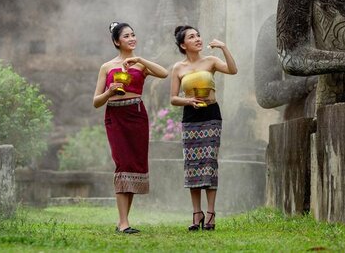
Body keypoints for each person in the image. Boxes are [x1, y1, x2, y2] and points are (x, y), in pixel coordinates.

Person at [92, 22, 168, 234]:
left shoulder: (141, 65)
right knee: (122, 163)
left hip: (137, 115)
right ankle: (123, 222)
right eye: (126, 36)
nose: (132, 38)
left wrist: (140, 60)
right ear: (117, 41)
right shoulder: (106, 67)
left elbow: (164, 73)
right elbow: (96, 101)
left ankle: (123, 221)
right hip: (115, 116)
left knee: (133, 164)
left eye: (133, 34)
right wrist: (109, 92)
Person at [170, 25, 237, 231]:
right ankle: (196, 212)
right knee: (192, 165)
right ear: (183, 45)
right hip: (190, 118)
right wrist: (188, 101)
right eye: (192, 37)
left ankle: (210, 213)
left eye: (198, 35)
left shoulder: (211, 61)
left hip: (211, 116)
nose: (198, 39)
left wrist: (223, 47)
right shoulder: (178, 68)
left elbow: (233, 70)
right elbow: (173, 98)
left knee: (209, 162)